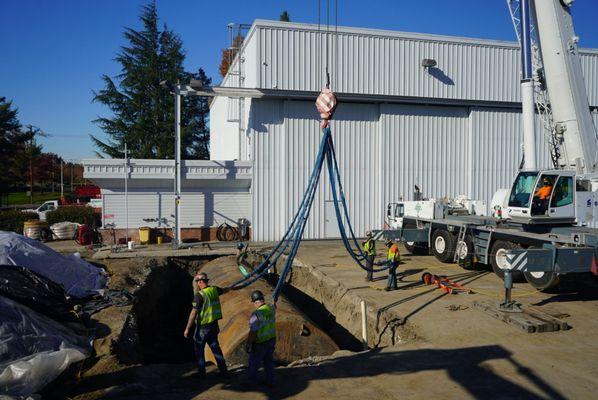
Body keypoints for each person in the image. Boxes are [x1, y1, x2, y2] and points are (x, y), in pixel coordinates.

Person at [184, 272, 229, 379]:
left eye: (197, 282)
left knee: (199, 350)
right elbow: (226, 289)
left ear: (200, 282)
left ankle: (201, 373)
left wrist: (187, 328)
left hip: (203, 327)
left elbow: (193, 313)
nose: (197, 284)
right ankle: (224, 371)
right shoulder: (214, 290)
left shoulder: (199, 296)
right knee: (215, 348)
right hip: (214, 325)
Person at [245, 290, 276, 387]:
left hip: (260, 343)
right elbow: (274, 305)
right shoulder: (271, 308)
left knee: (253, 363)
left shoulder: (256, 314)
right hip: (271, 339)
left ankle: (251, 382)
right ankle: (270, 381)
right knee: (269, 362)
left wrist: (248, 343)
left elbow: (253, 332)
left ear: (255, 302)